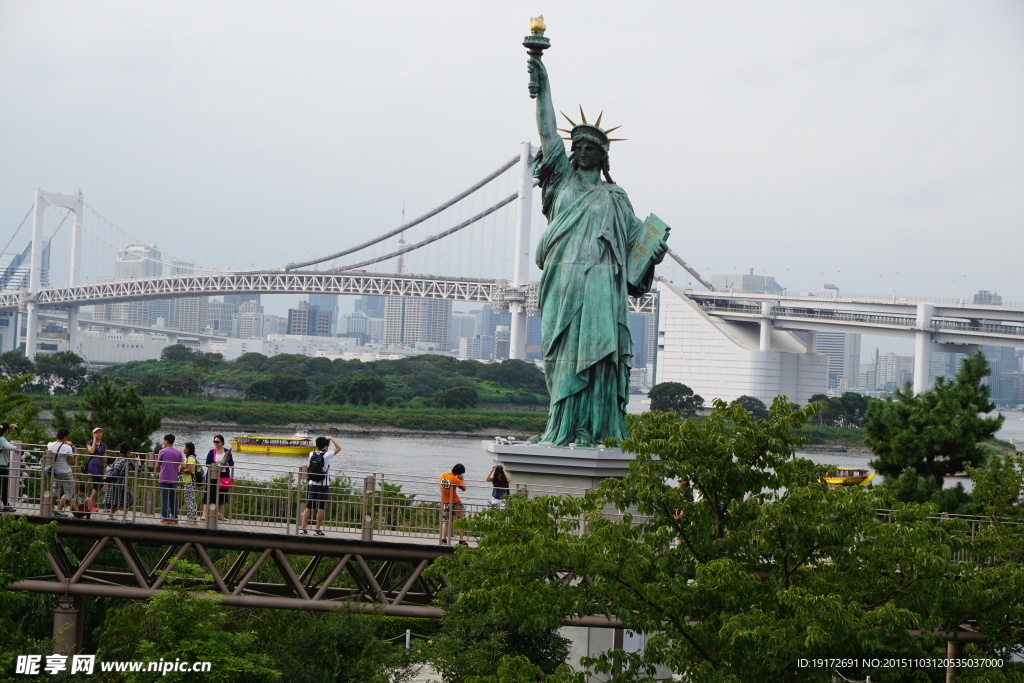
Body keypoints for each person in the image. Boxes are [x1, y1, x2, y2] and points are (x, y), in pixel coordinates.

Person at [526, 53, 668, 446]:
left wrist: (653, 253)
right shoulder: (559, 182)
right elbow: (547, 133)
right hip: (563, 279)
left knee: (600, 354)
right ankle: (562, 425)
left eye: (591, 147)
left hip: (602, 285)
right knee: (561, 353)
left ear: (603, 155)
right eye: (579, 145)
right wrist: (543, 86)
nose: (583, 150)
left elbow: (639, 245)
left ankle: (596, 427)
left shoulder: (615, 197)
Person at [298, 436, 342, 536]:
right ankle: (317, 530)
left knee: (308, 507)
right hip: (323, 484)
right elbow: (339, 448)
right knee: (320, 508)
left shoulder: (311, 454)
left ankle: (303, 528)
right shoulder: (327, 455)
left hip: (312, 483)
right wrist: (331, 438)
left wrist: (322, 442)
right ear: (326, 446)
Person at [47, 428, 76, 517]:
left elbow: (54, 446)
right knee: (69, 491)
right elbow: (71, 462)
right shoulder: (67, 447)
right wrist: (71, 448)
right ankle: (59, 510)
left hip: (55, 472)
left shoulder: (50, 445)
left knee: (55, 489)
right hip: (65, 472)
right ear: (64, 437)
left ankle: (50, 508)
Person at [204, 435, 234, 521]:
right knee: (209, 493)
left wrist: (227, 465)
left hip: (224, 475)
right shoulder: (211, 452)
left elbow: (231, 463)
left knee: (222, 495)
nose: (215, 443)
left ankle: (219, 514)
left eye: (217, 441)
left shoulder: (227, 452)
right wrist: (216, 467)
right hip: (213, 476)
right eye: (214, 441)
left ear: (222, 442)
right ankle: (205, 514)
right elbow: (207, 463)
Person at [104, 443, 137, 520]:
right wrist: (138, 462)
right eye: (130, 452)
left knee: (118, 501)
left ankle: (110, 515)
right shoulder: (128, 461)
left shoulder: (117, 459)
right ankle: (124, 517)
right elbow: (137, 469)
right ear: (128, 452)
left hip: (113, 483)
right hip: (121, 484)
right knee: (129, 498)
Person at [155, 434, 183, 524]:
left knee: (164, 498)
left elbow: (157, 466)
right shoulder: (178, 452)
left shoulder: (162, 451)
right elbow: (184, 465)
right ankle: (175, 517)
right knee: (173, 498)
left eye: (164, 441)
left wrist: (161, 470)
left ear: (166, 441)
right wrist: (178, 471)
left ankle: (165, 517)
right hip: (174, 478)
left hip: (164, 478)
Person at [439, 463, 467, 545]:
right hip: (455, 502)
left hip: (445, 501)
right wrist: (462, 479)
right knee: (460, 521)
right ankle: (461, 540)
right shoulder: (455, 479)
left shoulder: (443, 475)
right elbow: (464, 489)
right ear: (460, 473)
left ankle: (443, 539)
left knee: (446, 521)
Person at [83, 427, 108, 512]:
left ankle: (90, 501)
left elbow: (104, 458)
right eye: (97, 433)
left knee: (98, 484)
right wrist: (94, 441)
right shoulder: (89, 443)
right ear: (93, 434)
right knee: (100, 481)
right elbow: (92, 451)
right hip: (92, 464)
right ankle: (90, 500)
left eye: (100, 433)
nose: (99, 434)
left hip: (100, 465)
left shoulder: (103, 445)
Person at [180, 442, 200, 525]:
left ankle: (191, 519)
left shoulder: (191, 458)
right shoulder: (188, 457)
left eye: (184, 447)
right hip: (188, 481)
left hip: (190, 482)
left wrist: (181, 471)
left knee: (189, 500)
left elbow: (190, 470)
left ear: (187, 449)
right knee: (190, 499)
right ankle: (192, 518)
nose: (183, 449)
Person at [0, 422, 18, 512]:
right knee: (4, 486)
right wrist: (16, 448)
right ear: (6, 430)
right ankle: (6, 505)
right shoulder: (2, 439)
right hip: (2, 466)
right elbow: (8, 446)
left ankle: (5, 504)